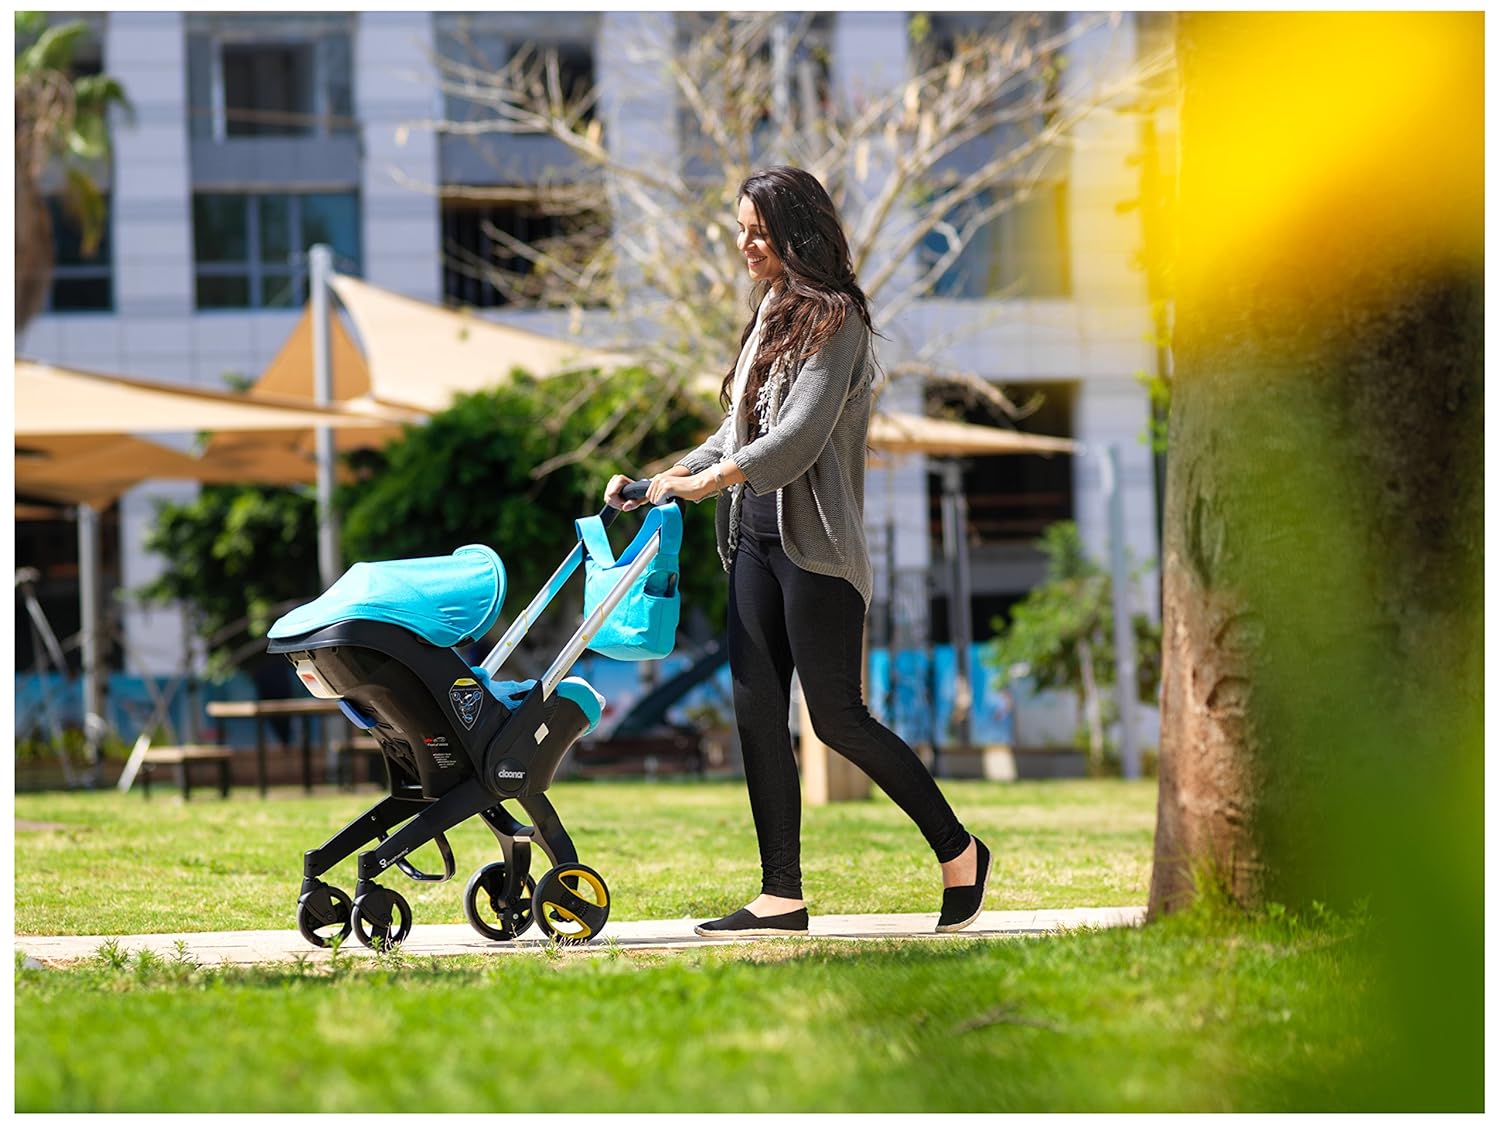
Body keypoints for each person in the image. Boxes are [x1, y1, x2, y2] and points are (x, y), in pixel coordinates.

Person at [606, 165, 990, 937]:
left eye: (758, 230)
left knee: (837, 719)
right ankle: (781, 894)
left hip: (816, 551)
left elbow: (800, 436)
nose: (745, 243)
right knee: (755, 713)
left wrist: (707, 483)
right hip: (752, 539)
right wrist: (663, 480)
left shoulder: (838, 319)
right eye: (741, 229)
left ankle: (960, 851)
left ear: (795, 232)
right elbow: (739, 433)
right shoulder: (770, 311)